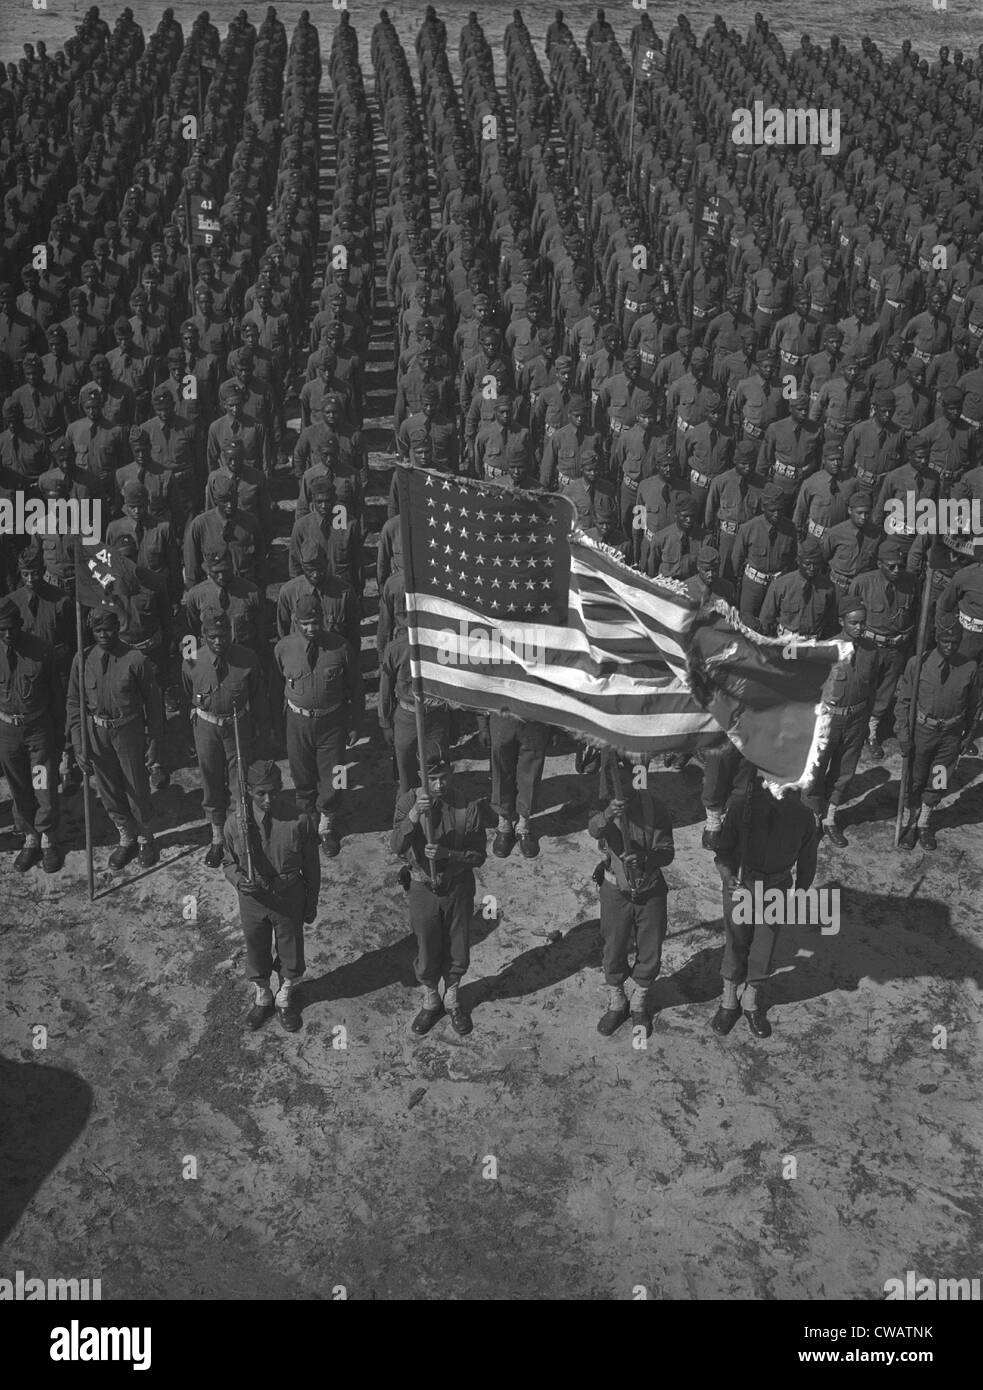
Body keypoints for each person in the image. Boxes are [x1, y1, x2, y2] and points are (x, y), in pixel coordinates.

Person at [712, 778, 819, 1038]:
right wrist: (728, 876)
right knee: (736, 940)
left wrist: (800, 890)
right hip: (742, 885)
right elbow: (723, 850)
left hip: (776, 887)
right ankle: (728, 998)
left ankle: (751, 998)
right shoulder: (741, 808)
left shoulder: (804, 818)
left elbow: (807, 859)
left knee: (764, 943)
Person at [391, 756, 487, 1036]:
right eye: (432, 778)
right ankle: (431, 998)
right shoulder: (408, 802)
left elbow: (479, 855)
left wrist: (450, 855)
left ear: (452, 772)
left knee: (458, 943)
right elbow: (396, 845)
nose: (438, 783)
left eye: (444, 776)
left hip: (457, 886)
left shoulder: (466, 806)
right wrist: (413, 818)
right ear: (420, 774)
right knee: (426, 942)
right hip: (422, 887)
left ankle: (453, 998)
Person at [223, 758, 320, 1033]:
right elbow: (228, 863)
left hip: (288, 897)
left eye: (274, 791)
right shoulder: (236, 823)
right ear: (248, 791)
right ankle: (263, 995)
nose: (268, 799)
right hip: (253, 900)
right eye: (260, 793)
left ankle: (285, 997)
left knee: (291, 949)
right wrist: (240, 883)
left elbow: (312, 867)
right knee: (256, 948)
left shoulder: (300, 820)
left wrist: (311, 902)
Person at [66, 602, 162, 870]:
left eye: (108, 629)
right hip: (96, 733)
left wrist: (154, 741)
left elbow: (153, 704)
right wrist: (77, 743)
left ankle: (144, 838)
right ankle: (126, 836)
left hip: (128, 730)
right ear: (91, 631)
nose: (104, 635)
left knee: (136, 787)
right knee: (108, 789)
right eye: (98, 630)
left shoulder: (136, 660)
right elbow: (74, 703)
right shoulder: (82, 660)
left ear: (118, 628)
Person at [588, 761, 675, 1037]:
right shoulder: (603, 806)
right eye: (615, 784)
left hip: (650, 890)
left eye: (626, 783)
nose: (620, 790)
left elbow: (668, 852)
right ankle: (618, 1000)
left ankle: (639, 1001)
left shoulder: (655, 808)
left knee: (651, 948)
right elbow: (594, 829)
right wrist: (607, 814)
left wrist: (646, 858)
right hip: (616, 891)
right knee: (613, 947)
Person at [274, 593, 362, 856]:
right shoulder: (283, 649)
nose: (311, 628)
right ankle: (306, 822)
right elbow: (276, 684)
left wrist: (355, 724)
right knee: (301, 775)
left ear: (323, 619)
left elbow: (356, 689)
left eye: (315, 622)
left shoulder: (341, 648)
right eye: (305, 623)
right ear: (295, 622)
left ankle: (327, 825)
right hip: (297, 721)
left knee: (336, 775)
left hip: (332, 722)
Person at [183, 611, 268, 868]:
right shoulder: (191, 660)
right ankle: (217, 836)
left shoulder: (247, 659)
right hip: (206, 726)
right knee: (210, 780)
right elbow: (188, 693)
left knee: (239, 780)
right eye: (212, 637)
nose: (218, 641)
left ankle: (237, 835)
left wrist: (262, 727)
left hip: (236, 727)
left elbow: (258, 696)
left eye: (223, 636)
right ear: (203, 637)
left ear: (231, 633)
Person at [895, 613, 982, 851]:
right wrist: (903, 734)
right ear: (936, 638)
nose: (950, 646)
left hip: (951, 737)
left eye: (955, 642)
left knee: (939, 778)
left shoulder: (969, 667)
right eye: (945, 641)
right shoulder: (918, 663)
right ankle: (910, 823)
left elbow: (975, 704)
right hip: (922, 733)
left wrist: (969, 734)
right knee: (916, 778)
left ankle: (924, 823)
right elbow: (903, 702)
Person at [0, 596, 63, 872]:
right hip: (6, 730)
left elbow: (56, 695)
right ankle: (30, 837)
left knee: (42, 783)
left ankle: (48, 839)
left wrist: (62, 738)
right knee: (19, 784)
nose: (7, 633)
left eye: (11, 627)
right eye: (1, 628)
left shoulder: (42, 650)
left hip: (37, 729)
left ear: (21, 624)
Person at [805, 597, 874, 847]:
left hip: (856, 720)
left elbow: (872, 689)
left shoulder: (871, 651)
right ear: (841, 621)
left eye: (863, 623)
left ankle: (830, 818)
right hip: (828, 720)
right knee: (816, 770)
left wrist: (867, 721)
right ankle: (812, 816)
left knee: (844, 771)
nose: (859, 627)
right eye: (854, 623)